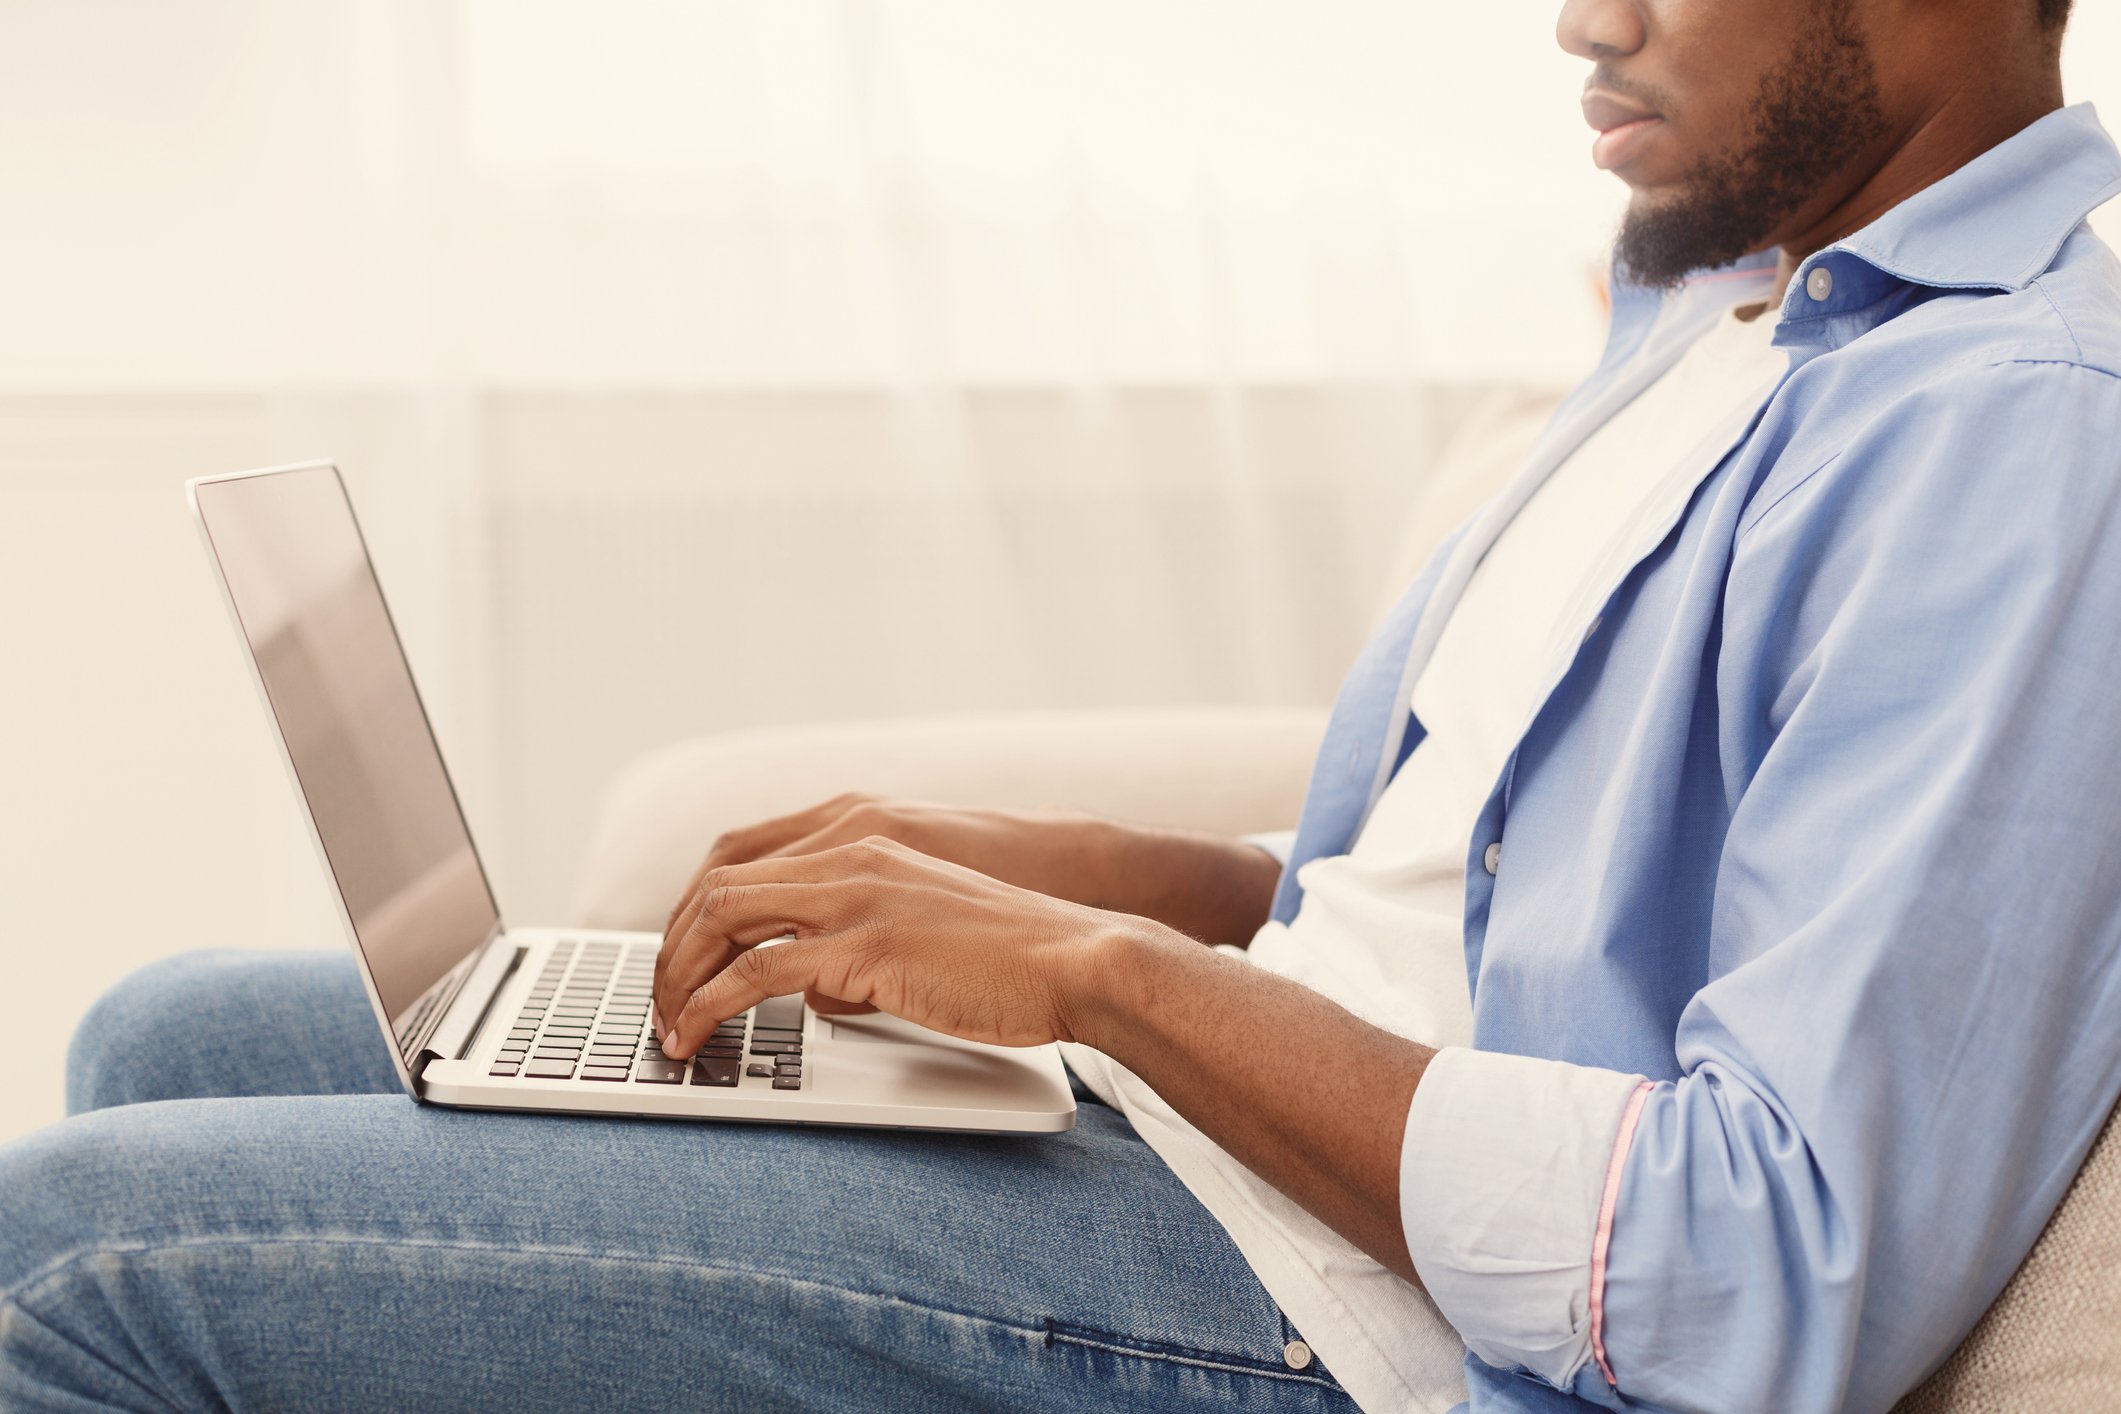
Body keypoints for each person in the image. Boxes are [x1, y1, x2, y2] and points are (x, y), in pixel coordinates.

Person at [5, 0, 2118, 1409]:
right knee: (165, 1025)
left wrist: (1095, 975)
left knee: (61, 1252)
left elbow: (1764, 1256)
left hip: (1337, 1306)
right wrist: (1096, 877)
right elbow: (1499, 913)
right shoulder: (1720, 305)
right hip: (1213, 1131)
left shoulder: (2012, 440)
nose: (1580, 17)